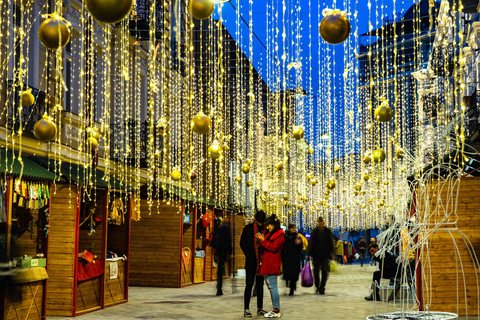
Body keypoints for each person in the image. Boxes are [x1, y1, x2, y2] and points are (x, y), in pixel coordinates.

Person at [255, 214, 285, 318]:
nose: (267, 227)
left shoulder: (279, 235)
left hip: (272, 263)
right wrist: (261, 240)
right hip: (267, 262)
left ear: (275, 225)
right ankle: (275, 309)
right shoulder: (270, 234)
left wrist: (262, 241)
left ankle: (276, 310)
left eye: (269, 225)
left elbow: (273, 248)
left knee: (273, 287)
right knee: (271, 287)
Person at [240, 210, 268, 317]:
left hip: (262, 262)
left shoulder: (266, 230)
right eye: (260, 222)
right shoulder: (248, 229)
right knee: (249, 285)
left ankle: (259, 308)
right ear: (256, 219)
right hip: (251, 262)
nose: (261, 224)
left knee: (260, 285)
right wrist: (249, 254)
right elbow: (242, 243)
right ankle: (246, 308)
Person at [307, 216, 335, 295]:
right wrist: (308, 254)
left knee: (325, 271)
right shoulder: (314, 231)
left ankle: (322, 287)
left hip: (325, 254)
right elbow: (311, 243)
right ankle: (317, 285)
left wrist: (333, 253)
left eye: (322, 222)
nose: (321, 223)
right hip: (316, 254)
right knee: (316, 271)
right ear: (318, 222)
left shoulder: (328, 231)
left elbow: (331, 242)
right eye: (320, 222)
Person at [281, 224, 302, 296]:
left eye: (294, 228)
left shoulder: (298, 236)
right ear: (289, 229)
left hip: (295, 258)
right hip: (287, 258)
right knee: (287, 273)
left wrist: (298, 244)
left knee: (294, 275)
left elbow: (300, 248)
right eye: (292, 228)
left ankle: (292, 289)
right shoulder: (285, 236)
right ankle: (288, 281)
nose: (294, 229)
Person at [214, 215, 232, 296]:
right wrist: (230, 252)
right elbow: (229, 241)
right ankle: (219, 287)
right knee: (221, 267)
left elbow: (216, 239)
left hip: (219, 250)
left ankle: (219, 286)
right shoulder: (227, 229)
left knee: (220, 268)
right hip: (224, 251)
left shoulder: (219, 228)